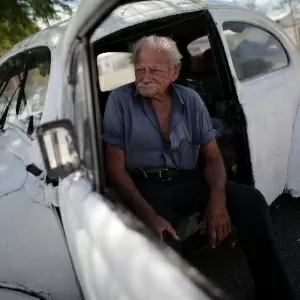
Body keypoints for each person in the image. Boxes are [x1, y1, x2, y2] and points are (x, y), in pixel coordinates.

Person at [103, 35, 295, 300]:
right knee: (165, 246)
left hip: (190, 178)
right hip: (146, 187)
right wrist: (148, 215)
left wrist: (218, 201)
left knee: (251, 202)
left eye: (154, 70)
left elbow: (213, 157)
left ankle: (275, 293)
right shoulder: (119, 102)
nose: (144, 76)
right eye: (139, 69)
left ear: (175, 71)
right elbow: (115, 168)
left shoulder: (190, 100)